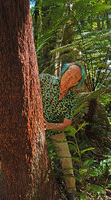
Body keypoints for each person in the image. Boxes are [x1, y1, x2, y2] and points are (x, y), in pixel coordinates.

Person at [39, 63, 85, 200]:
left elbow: (66, 123)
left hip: (55, 130)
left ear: (77, 83)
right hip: (34, 126)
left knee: (66, 158)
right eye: (68, 73)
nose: (69, 78)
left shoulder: (71, 99)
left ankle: (71, 191)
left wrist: (50, 126)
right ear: (63, 71)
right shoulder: (46, 79)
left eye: (74, 78)